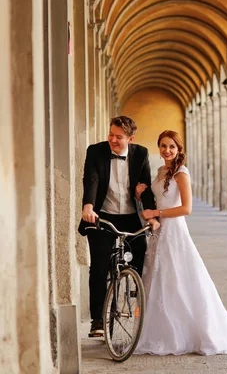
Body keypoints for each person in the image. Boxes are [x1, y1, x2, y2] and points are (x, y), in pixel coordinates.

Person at [133, 130, 227, 355]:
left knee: (179, 277)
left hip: (175, 231)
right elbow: (157, 199)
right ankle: (161, 331)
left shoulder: (181, 174)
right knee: (160, 278)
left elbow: (186, 208)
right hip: (159, 231)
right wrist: (141, 197)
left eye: (172, 147)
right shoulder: (160, 171)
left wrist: (155, 211)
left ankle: (191, 331)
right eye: (164, 146)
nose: (167, 150)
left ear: (179, 150)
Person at [78, 116, 160, 338]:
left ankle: (136, 299)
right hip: (101, 215)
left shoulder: (140, 153)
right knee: (99, 267)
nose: (113, 140)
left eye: (119, 137)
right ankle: (97, 321)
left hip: (131, 215)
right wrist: (88, 206)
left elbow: (145, 187)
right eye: (111, 134)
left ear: (130, 138)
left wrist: (151, 215)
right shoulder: (95, 151)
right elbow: (91, 180)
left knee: (140, 255)